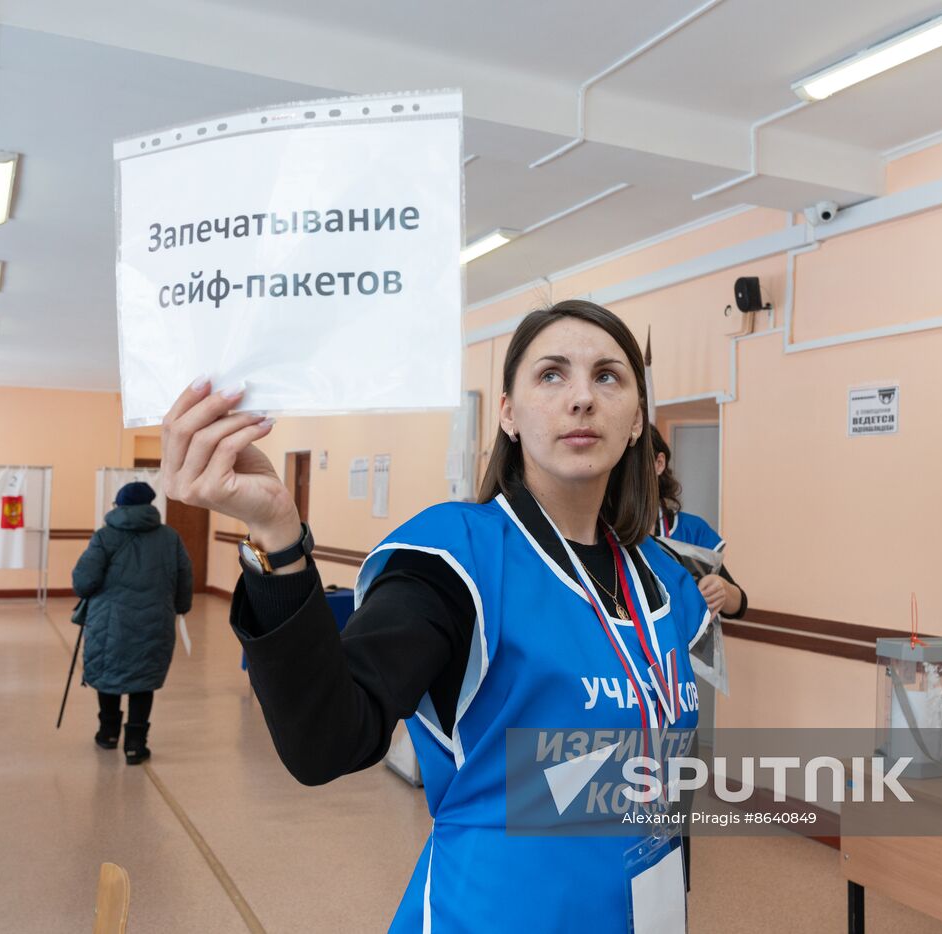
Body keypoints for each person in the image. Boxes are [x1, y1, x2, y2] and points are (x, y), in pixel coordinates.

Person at [160, 300, 710, 931]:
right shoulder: (457, 560)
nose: (581, 397)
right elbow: (328, 741)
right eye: (551, 375)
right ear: (507, 412)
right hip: (494, 912)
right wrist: (278, 540)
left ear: (638, 420)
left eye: (608, 376)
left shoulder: (662, 578)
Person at [71, 481, 193, 765]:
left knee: (108, 674)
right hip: (155, 619)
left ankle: (108, 733)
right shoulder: (170, 537)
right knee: (144, 679)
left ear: (119, 505)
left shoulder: (104, 536)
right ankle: (136, 745)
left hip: (109, 621)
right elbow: (185, 577)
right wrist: (180, 608)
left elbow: (83, 582)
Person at [649, 426, 748, 620]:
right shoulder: (599, 530)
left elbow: (739, 606)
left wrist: (721, 589)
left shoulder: (691, 530)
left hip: (688, 648)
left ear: (659, 463)